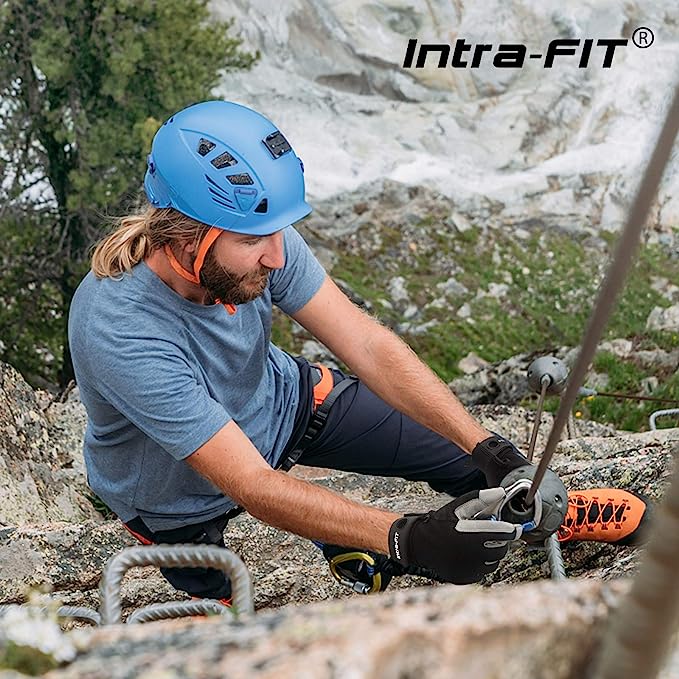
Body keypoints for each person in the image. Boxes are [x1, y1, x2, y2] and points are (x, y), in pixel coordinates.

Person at [68, 100, 650, 604]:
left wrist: (485, 445)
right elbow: (252, 483)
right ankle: (355, 548)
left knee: (466, 460)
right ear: (184, 234)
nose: (277, 257)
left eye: (276, 234)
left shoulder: (254, 232)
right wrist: (407, 537)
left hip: (282, 408)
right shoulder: (120, 327)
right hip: (178, 500)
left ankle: (540, 514)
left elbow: (365, 343)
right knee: (243, 629)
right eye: (253, 241)